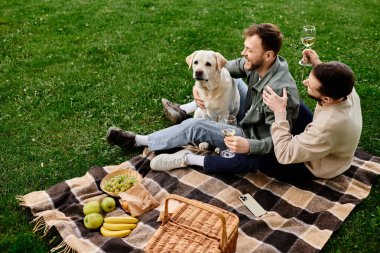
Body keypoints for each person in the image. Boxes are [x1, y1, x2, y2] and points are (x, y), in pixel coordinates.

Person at [107, 23, 309, 182]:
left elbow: (278, 143)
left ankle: (138, 140)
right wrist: (200, 83)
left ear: (268, 55)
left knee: (195, 126)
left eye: (249, 50)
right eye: (245, 47)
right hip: (251, 113)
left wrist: (248, 145)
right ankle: (188, 107)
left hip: (252, 137)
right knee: (233, 78)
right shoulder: (264, 64)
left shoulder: (281, 95)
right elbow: (224, 67)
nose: (242, 53)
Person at [262, 49, 362, 178]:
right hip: (329, 142)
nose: (306, 82)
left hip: (316, 166)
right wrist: (317, 63)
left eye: (310, 86)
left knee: (262, 158)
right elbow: (334, 77)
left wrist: (279, 112)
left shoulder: (326, 127)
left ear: (326, 99)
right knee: (293, 103)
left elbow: (284, 154)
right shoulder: (346, 89)